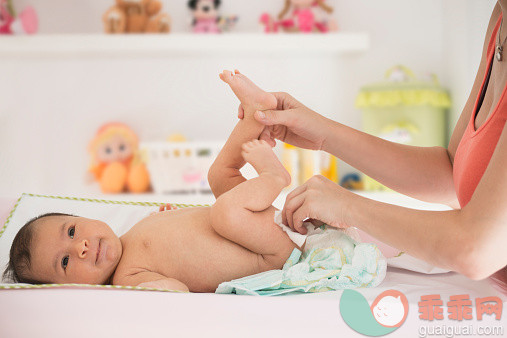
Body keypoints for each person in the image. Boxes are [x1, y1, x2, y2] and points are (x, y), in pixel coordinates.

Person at [238, 2, 507, 288]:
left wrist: (346, 206)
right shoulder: (500, 18)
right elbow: (453, 174)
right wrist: (323, 134)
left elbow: (477, 249)